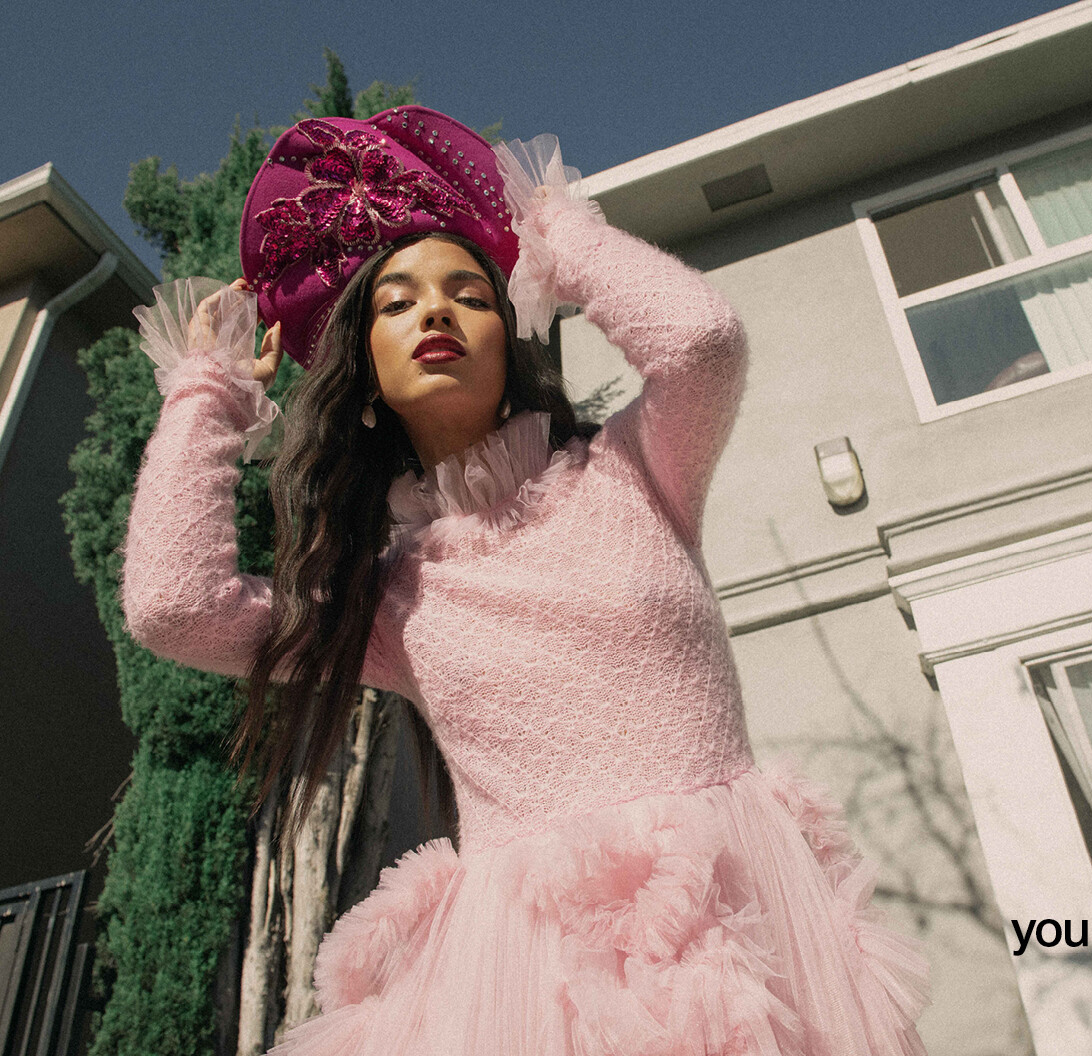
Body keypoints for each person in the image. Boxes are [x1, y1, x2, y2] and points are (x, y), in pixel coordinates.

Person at [122, 105, 930, 1055]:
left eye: (469, 294)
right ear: (366, 376)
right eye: (396, 304)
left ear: (511, 339)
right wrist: (207, 394)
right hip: (529, 983)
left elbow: (701, 340)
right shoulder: (388, 600)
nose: (435, 312)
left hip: (736, 928)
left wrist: (555, 234)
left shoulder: (637, 470)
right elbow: (174, 608)